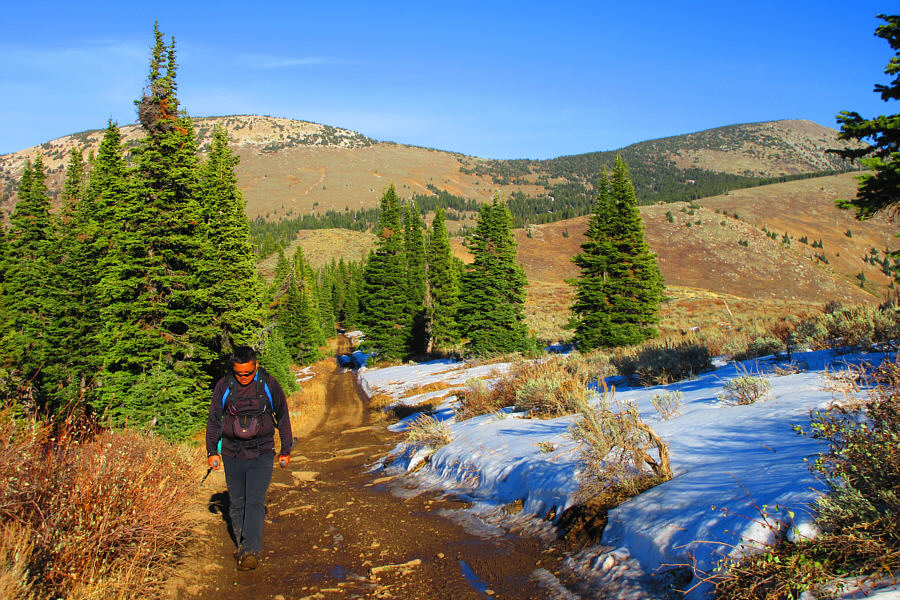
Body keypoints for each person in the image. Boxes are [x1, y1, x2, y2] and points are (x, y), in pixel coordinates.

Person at [206, 345, 293, 571]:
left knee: (254, 500)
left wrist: (286, 449)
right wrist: (211, 451)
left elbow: (282, 416)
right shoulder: (224, 386)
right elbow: (215, 419)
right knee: (237, 503)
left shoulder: (269, 384)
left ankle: (251, 550)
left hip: (262, 451)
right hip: (231, 452)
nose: (244, 377)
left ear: (256, 366)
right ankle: (242, 544)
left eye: (248, 373)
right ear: (233, 370)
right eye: (239, 373)